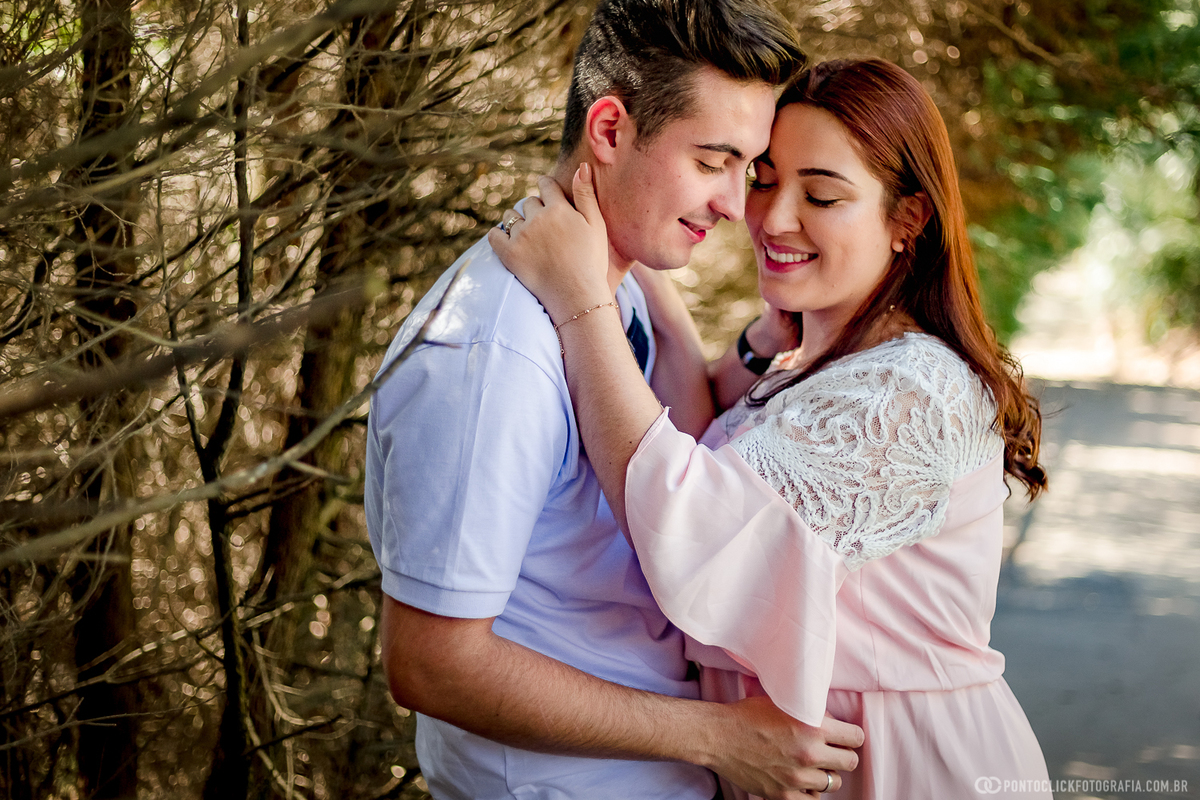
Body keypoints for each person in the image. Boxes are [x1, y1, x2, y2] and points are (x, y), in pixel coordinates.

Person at [491, 58, 1053, 799]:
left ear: (908, 219)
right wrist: (639, 268)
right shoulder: (817, 362)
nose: (774, 218)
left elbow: (686, 520)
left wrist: (579, 298)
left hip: (907, 770)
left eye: (820, 195)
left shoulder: (911, 391)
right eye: (764, 179)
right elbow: (699, 442)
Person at [363, 2, 865, 798]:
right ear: (609, 131)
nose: (738, 206)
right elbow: (431, 665)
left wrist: (747, 340)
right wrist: (723, 740)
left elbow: (670, 439)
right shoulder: (493, 352)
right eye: (713, 161)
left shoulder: (609, 285)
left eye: (748, 167)